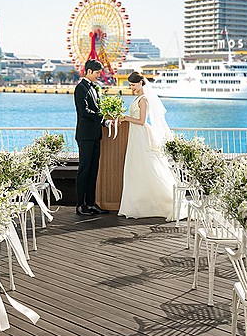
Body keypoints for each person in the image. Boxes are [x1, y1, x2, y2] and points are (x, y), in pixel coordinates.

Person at [117, 71, 183, 220]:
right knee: (136, 168)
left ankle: (159, 202)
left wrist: (126, 118)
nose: (132, 88)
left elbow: (141, 121)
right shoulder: (137, 98)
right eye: (130, 85)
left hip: (140, 135)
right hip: (135, 135)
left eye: (133, 85)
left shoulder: (144, 100)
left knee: (145, 166)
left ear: (141, 83)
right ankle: (137, 203)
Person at [74, 59, 110, 216]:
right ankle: (80, 205)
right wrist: (101, 118)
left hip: (95, 135)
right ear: (88, 71)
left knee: (93, 170)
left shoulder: (95, 88)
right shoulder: (80, 88)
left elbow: (96, 110)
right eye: (97, 73)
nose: (98, 76)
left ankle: (91, 203)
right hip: (85, 135)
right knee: (84, 170)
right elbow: (84, 112)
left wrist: (105, 121)